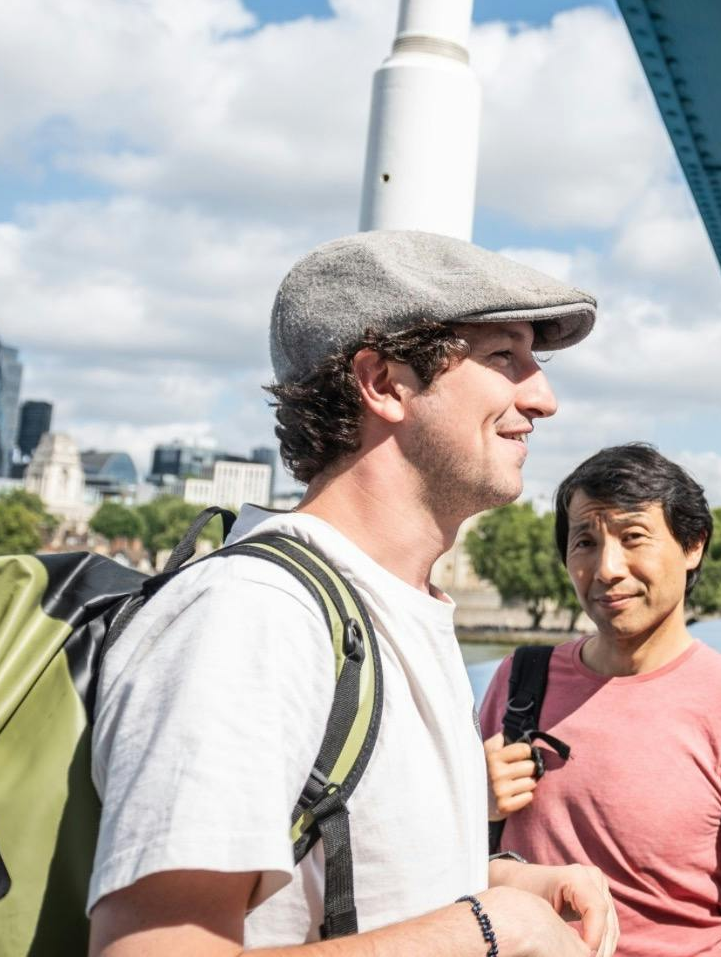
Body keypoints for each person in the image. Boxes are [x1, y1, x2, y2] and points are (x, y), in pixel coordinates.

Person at [88, 229, 619, 955]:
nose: (545, 396)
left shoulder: (398, 608)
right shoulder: (252, 616)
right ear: (382, 382)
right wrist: (488, 931)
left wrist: (501, 882)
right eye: (504, 356)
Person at [483, 444, 721, 957]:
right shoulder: (520, 681)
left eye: (633, 537)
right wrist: (473, 799)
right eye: (584, 542)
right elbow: (448, 860)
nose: (607, 568)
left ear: (693, 544)